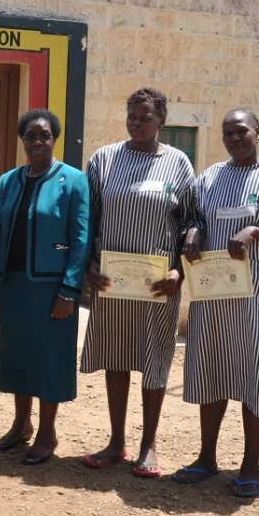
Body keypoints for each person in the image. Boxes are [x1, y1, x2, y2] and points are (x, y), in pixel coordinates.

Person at [176, 109, 259, 498]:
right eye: (227, 133)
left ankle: (250, 463)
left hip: (258, 296)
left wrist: (255, 231)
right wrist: (195, 231)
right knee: (213, 368)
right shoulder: (211, 177)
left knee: (256, 373)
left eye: (241, 132)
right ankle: (206, 457)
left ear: (257, 132)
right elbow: (192, 215)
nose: (234, 139)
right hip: (213, 294)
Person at [78, 88, 195, 478]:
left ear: (162, 121)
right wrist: (88, 264)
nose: (137, 122)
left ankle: (149, 445)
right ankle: (116, 441)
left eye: (145, 117)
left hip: (157, 284)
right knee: (117, 357)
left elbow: (190, 223)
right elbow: (88, 217)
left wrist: (180, 270)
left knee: (154, 360)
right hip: (111, 280)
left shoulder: (178, 163)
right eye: (131, 115)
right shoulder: (104, 159)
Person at [0, 109, 90, 465]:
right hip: (14, 285)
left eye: (44, 135)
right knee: (19, 356)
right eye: (31, 136)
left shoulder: (74, 180)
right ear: (23, 140)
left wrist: (70, 290)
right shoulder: (8, 181)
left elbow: (81, 238)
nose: (38, 141)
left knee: (49, 359)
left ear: (54, 139)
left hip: (52, 289)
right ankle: (21, 425)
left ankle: (47, 432)